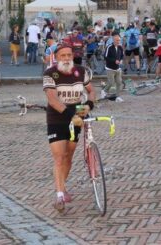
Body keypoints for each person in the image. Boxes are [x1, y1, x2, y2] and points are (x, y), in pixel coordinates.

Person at [43, 43, 96, 212]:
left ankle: (63, 186)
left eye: (69, 55)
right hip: (57, 118)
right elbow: (52, 100)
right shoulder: (50, 73)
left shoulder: (81, 71)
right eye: (62, 56)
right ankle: (59, 195)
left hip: (77, 116)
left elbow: (91, 92)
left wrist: (87, 106)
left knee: (68, 155)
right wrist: (70, 116)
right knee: (59, 157)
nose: (66, 58)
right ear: (56, 58)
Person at [101, 32, 124, 102]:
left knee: (119, 82)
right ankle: (104, 91)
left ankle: (118, 96)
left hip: (117, 68)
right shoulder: (109, 47)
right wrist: (114, 61)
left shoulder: (120, 47)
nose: (118, 42)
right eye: (117, 40)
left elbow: (122, 56)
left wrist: (120, 60)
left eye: (119, 40)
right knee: (111, 82)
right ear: (113, 40)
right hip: (110, 68)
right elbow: (105, 57)